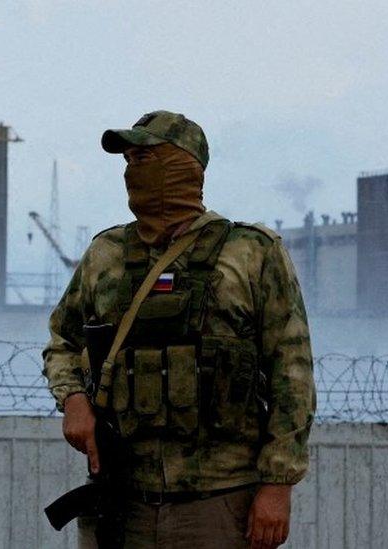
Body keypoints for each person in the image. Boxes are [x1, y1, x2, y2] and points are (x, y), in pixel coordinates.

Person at [42, 110, 316, 548]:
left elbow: (292, 373)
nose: (133, 170)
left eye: (146, 157)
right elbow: (62, 341)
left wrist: (277, 485)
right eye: (128, 160)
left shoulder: (250, 252)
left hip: (220, 501)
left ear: (185, 165)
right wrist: (73, 398)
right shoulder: (107, 254)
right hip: (123, 501)